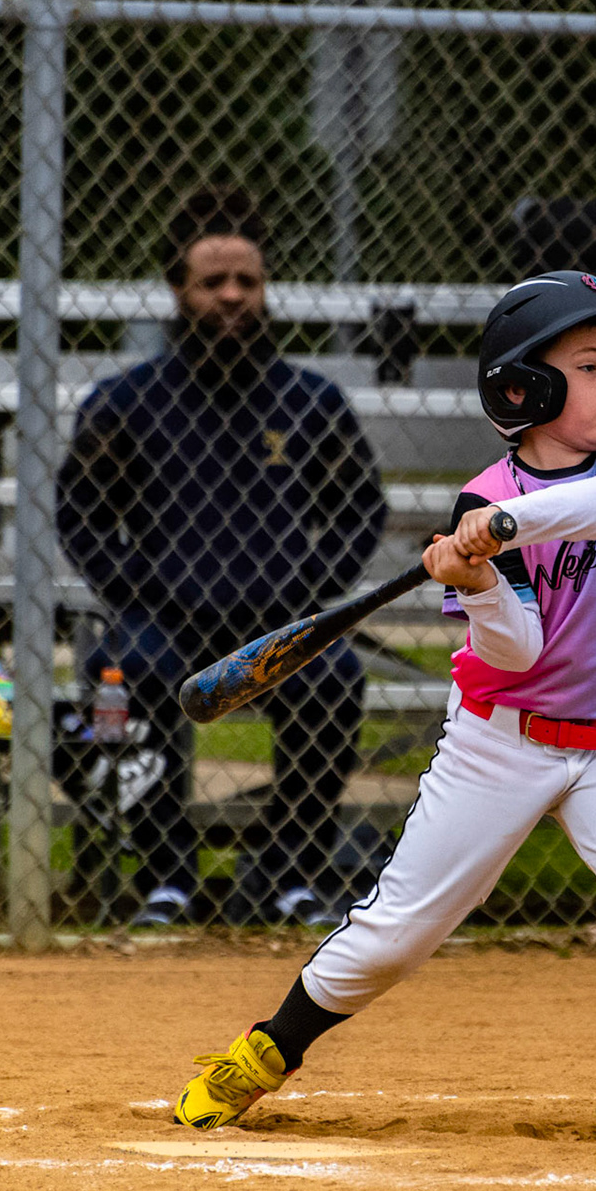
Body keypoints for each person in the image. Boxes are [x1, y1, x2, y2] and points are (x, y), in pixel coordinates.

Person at [170, 270, 596, 1144]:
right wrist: (481, 578)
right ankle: (265, 1052)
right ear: (525, 387)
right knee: (394, 937)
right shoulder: (480, 501)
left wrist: (510, 528)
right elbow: (514, 652)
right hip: (501, 742)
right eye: (590, 366)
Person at [57, 186, 387, 928]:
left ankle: (285, 875)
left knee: (334, 675)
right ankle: (167, 878)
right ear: (179, 291)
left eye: (247, 281)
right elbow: (78, 508)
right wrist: (132, 588)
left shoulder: (309, 401)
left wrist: (315, 590)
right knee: (125, 673)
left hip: (279, 621)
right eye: (213, 283)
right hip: (165, 621)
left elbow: (360, 507)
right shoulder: (126, 402)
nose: (233, 296)